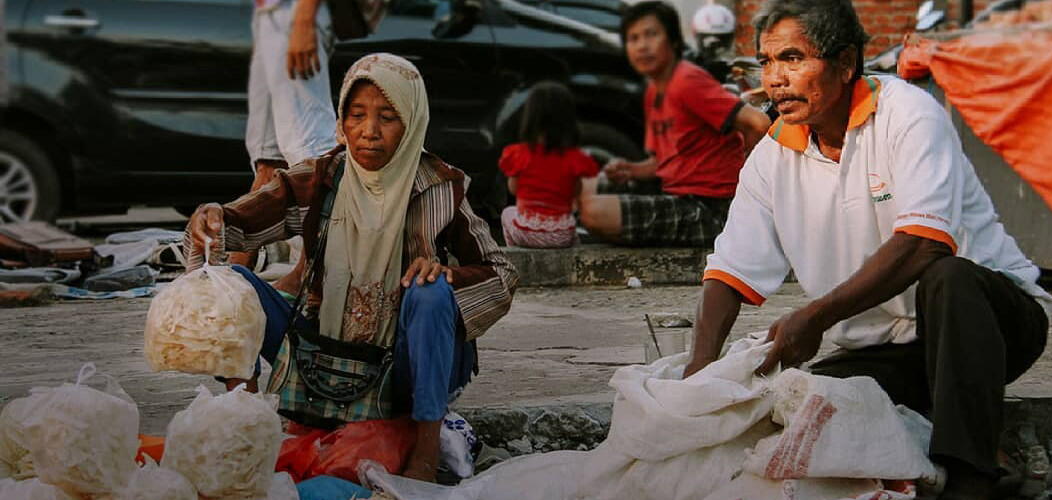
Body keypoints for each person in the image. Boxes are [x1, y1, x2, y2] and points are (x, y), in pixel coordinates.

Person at [686, 1, 1052, 498]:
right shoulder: (772, 158)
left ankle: (972, 479)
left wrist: (815, 317)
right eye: (766, 62)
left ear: (844, 64)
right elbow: (729, 271)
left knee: (950, 276)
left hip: (992, 328)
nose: (774, 79)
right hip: (892, 352)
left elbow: (923, 244)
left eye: (792, 59)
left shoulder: (908, 115)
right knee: (803, 396)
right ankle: (982, 460)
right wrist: (698, 375)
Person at [185, 53, 518, 483]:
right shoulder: (322, 176)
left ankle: (425, 447)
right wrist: (213, 217)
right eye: (356, 115)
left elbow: (501, 271)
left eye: (388, 117)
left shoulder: (440, 187)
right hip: (319, 353)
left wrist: (450, 274)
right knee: (233, 284)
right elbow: (242, 218)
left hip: (403, 363)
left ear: (413, 121)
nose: (369, 132)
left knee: (429, 292)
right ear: (342, 120)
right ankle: (245, 424)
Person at [578, 0, 771, 248]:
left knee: (593, 212)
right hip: (675, 193)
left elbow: (758, 122)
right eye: (633, 38)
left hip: (711, 208)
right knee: (581, 186)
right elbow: (664, 161)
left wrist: (748, 187)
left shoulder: (687, 80)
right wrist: (632, 170)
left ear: (673, 42)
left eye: (651, 35)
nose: (642, 46)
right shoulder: (654, 91)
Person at [230, 0, 339, 290]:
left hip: (293, 12)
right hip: (268, 15)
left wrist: (303, 17)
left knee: (310, 151)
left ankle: (313, 274)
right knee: (268, 162)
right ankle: (233, 276)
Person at [499, 82, 599, 249]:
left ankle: (514, 253)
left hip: (526, 232)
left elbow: (514, 189)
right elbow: (576, 191)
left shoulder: (519, 154)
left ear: (529, 118)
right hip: (562, 235)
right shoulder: (574, 158)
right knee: (571, 225)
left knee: (507, 213)